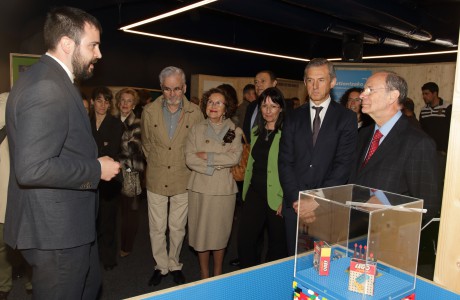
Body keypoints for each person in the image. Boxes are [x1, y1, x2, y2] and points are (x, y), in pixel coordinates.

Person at [4, 6, 120, 299]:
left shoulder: (51, 80)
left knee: (89, 287)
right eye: (93, 45)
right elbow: (32, 168)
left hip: (67, 227)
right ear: (68, 43)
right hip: (56, 234)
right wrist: (96, 169)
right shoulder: (46, 87)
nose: (99, 54)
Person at [348, 71, 439, 279]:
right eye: (364, 90)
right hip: (355, 240)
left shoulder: (418, 142)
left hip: (391, 251)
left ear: (392, 96)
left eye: (370, 90)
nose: (362, 95)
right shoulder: (363, 136)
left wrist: (389, 206)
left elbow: (429, 205)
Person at [278, 58, 357, 255]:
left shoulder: (346, 118)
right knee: (294, 265)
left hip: (328, 207)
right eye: (310, 80)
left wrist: (315, 200)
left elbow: (343, 165)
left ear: (332, 82)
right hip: (295, 208)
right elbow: (285, 162)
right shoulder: (293, 117)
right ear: (305, 83)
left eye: (321, 80)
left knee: (325, 267)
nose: (315, 86)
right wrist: (298, 201)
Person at [141, 66, 204, 286]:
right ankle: (161, 266)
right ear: (161, 88)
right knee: (157, 227)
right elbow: (146, 143)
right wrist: (158, 161)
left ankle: (174, 263)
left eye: (177, 89)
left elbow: (199, 145)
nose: (172, 95)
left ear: (184, 87)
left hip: (183, 177)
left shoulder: (195, 113)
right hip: (156, 176)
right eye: (167, 89)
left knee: (177, 227)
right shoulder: (149, 111)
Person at [185, 87, 242, 279]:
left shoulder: (234, 130)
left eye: (219, 103)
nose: (213, 106)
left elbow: (234, 158)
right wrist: (215, 165)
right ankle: (204, 272)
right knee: (200, 233)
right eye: (210, 102)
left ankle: (217, 272)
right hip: (199, 188)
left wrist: (207, 157)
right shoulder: (196, 129)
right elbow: (190, 159)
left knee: (220, 233)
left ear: (226, 108)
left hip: (223, 191)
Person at [238, 87, 288, 268]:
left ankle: (270, 279)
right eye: (264, 105)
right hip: (254, 191)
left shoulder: (288, 134)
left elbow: (292, 168)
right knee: (246, 239)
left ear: (281, 108)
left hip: (277, 195)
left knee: (277, 244)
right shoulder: (256, 131)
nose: (268, 110)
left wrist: (286, 197)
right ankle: (248, 276)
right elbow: (251, 163)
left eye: (273, 106)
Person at [90, 86, 124, 271]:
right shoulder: (85, 122)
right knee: (90, 222)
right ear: (93, 102)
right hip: (89, 179)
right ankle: (91, 258)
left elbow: (112, 152)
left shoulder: (116, 124)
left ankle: (109, 258)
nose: (103, 104)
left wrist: (95, 155)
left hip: (109, 181)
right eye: (99, 100)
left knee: (108, 221)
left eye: (106, 101)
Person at [115, 88, 145, 258]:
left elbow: (134, 147)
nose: (125, 104)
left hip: (131, 171)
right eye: (122, 100)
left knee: (130, 213)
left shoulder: (137, 122)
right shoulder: (113, 120)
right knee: (115, 212)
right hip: (114, 172)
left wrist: (115, 141)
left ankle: (127, 246)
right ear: (118, 103)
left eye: (129, 101)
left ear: (133, 105)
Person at [419, 82, 451, 201]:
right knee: (427, 181)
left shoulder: (447, 107)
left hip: (441, 153)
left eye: (426, 94)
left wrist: (446, 150)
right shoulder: (423, 111)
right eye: (423, 94)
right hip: (427, 153)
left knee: (439, 181)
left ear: (435, 93)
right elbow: (422, 132)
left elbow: (451, 131)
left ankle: (440, 208)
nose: (424, 96)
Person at [242, 71, 278, 142]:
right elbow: (246, 132)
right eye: (256, 82)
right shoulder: (251, 106)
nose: (258, 85)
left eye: (263, 81)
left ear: (274, 83)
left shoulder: (281, 107)